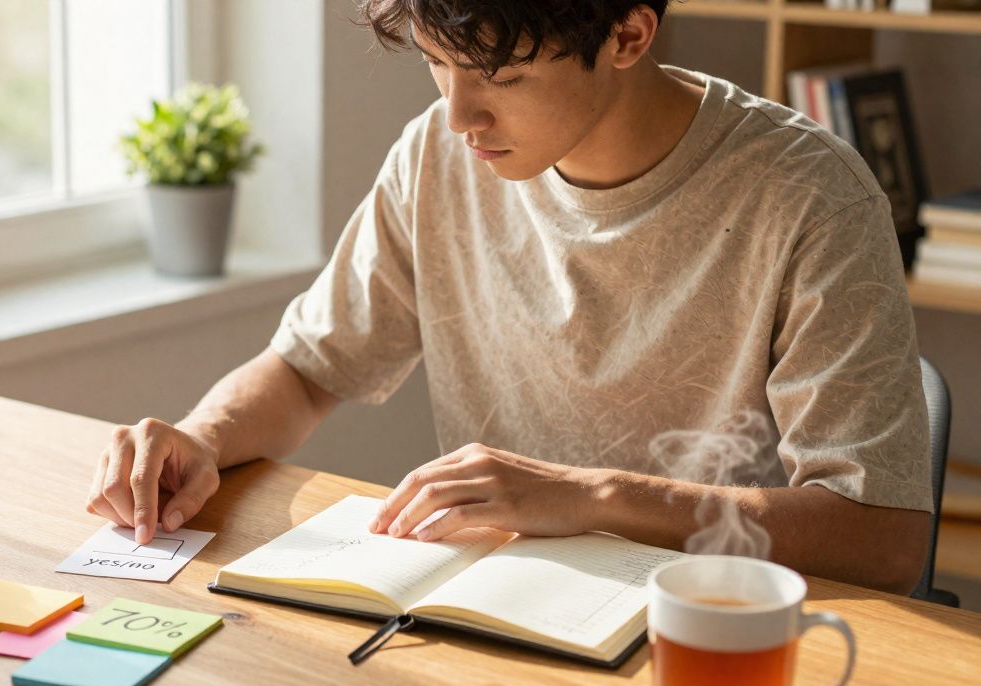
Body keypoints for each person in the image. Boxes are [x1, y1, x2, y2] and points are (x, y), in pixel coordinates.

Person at [85, 0, 932, 594]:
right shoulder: (437, 157)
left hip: (717, 635)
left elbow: (882, 538)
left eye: (498, 75)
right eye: (436, 64)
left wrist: (592, 497)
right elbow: (309, 370)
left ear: (630, 34)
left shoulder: (810, 197)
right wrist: (203, 434)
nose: (459, 116)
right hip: (505, 616)